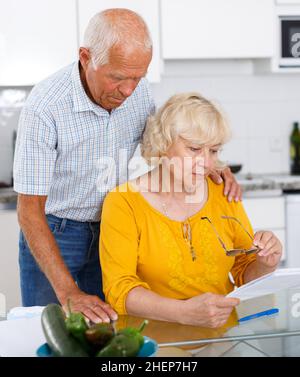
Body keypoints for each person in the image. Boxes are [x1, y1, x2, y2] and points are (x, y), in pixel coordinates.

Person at [14, 8, 241, 323]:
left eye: (138, 78)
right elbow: (28, 210)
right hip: (56, 230)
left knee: (113, 333)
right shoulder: (46, 107)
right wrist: (68, 292)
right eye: (118, 78)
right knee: (49, 329)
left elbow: (165, 140)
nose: (128, 91)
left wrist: (205, 160)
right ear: (85, 57)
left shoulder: (136, 91)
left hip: (116, 228)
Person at [100, 93, 283, 328]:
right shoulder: (123, 202)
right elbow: (119, 290)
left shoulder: (223, 192)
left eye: (214, 151)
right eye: (195, 149)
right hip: (154, 342)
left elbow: (244, 272)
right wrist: (183, 312)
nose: (206, 163)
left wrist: (265, 263)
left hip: (224, 337)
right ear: (163, 145)